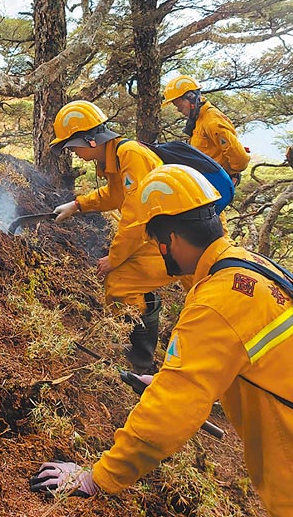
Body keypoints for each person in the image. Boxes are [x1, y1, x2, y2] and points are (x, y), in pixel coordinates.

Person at [31, 164, 293, 517]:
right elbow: (273, 366)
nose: (157, 251)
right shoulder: (252, 266)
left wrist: (97, 479)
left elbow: (168, 415)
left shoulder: (216, 303)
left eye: (155, 241)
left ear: (169, 238)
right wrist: (186, 383)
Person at [50, 100, 194, 374]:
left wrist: (114, 259)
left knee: (121, 283)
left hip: (184, 238)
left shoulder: (129, 155)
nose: (73, 153)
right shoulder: (115, 157)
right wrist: (77, 205)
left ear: (90, 140)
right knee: (195, 295)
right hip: (170, 234)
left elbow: (135, 217)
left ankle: (141, 362)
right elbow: (116, 195)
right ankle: (144, 356)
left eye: (72, 146)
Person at [162, 74, 250, 185]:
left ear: (191, 97)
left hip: (215, 184)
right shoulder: (198, 120)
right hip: (204, 183)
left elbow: (240, 160)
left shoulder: (212, 121)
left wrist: (229, 176)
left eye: (179, 105)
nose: (179, 110)